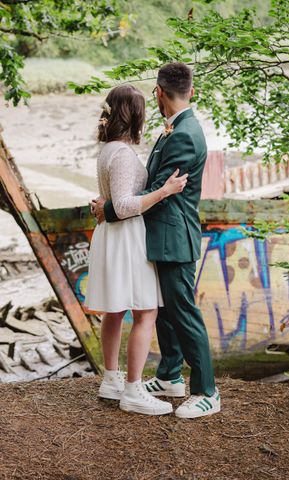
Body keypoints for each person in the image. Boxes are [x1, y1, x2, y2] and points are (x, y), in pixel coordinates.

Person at [91, 63, 221, 419]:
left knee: (182, 310)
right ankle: (168, 376)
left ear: (160, 92)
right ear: (191, 91)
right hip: (155, 233)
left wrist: (109, 208)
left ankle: (207, 389)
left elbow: (153, 190)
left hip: (173, 235)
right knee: (161, 309)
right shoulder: (174, 128)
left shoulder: (183, 134)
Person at [84, 84, 188, 416]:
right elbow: (126, 204)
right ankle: (133, 390)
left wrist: (104, 205)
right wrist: (166, 191)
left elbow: (113, 200)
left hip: (110, 234)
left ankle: (111, 379)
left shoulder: (108, 150)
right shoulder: (125, 155)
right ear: (135, 115)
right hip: (126, 235)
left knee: (114, 310)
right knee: (145, 312)